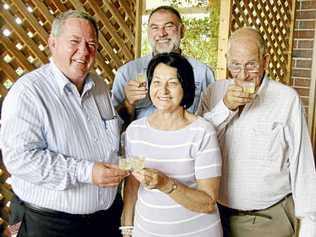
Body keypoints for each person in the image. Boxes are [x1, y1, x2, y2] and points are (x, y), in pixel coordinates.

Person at [0, 10, 129, 237]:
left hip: (105, 219)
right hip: (46, 224)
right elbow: (20, 159)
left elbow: (107, 139)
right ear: (53, 43)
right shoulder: (28, 92)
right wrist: (87, 172)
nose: (84, 51)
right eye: (74, 42)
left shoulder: (99, 85)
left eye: (91, 44)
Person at [197, 27, 316, 237]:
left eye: (251, 65)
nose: (243, 74)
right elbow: (197, 142)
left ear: (265, 61)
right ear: (227, 60)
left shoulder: (287, 99)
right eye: (235, 65)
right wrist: (225, 107)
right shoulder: (213, 92)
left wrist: (309, 224)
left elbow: (302, 163)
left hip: (268, 219)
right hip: (215, 215)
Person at [121, 52, 223, 237]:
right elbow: (132, 186)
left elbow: (208, 202)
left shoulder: (202, 131)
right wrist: (127, 228)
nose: (163, 90)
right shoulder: (135, 131)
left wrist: (166, 184)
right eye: (157, 82)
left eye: (173, 83)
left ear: (186, 87)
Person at [111, 5, 215, 125]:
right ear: (148, 32)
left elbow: (212, 119)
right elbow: (113, 127)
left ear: (182, 31)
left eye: (169, 26)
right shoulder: (127, 73)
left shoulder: (203, 73)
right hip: (142, 142)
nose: (161, 33)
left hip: (187, 141)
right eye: (155, 28)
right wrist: (128, 103)